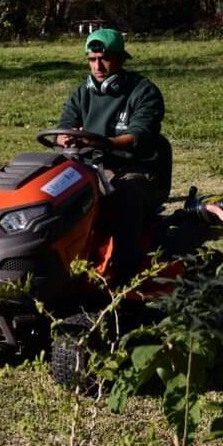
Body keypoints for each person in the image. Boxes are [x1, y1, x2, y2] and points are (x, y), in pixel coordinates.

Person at [55, 28, 167, 284]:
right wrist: (67, 138)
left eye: (104, 59)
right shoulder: (81, 93)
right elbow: (63, 128)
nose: (98, 66)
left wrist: (103, 143)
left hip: (134, 168)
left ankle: (125, 273)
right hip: (87, 164)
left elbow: (140, 135)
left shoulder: (143, 91)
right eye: (92, 60)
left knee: (123, 194)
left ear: (120, 59)